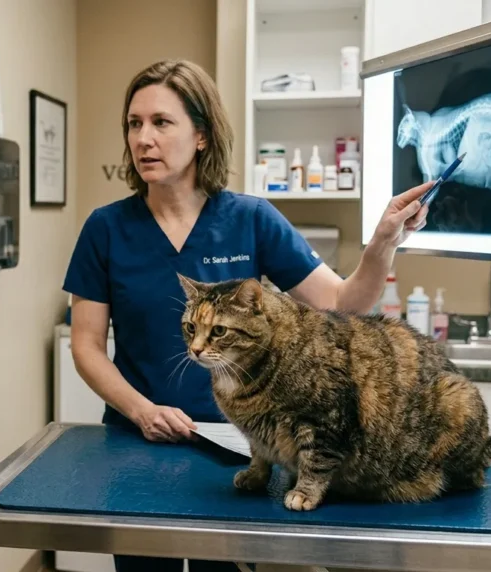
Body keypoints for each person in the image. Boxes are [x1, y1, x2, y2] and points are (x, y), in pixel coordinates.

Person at [62, 59, 430, 572]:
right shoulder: (105, 229)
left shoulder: (251, 219)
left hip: (236, 447)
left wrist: (382, 245)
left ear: (202, 136)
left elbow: (342, 304)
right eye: (134, 123)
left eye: (161, 122)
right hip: (137, 445)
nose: (143, 138)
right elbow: (85, 345)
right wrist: (143, 412)